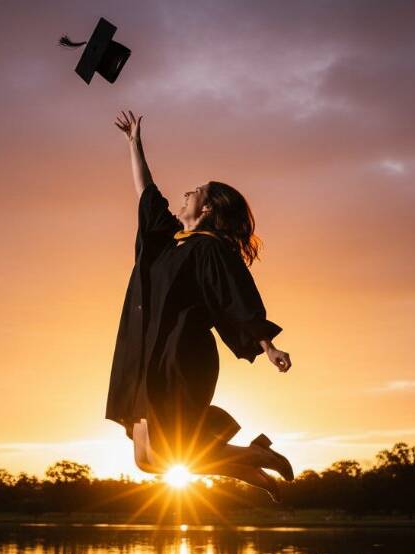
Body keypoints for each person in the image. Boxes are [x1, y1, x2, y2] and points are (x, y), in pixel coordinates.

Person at [107, 110, 294, 502]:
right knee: (147, 461)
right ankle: (250, 466)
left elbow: (236, 296)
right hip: (143, 354)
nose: (186, 194)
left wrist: (267, 344)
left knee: (166, 452)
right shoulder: (167, 239)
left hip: (180, 354)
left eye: (194, 192)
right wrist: (133, 143)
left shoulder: (209, 248)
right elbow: (147, 193)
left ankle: (253, 456)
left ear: (207, 208)